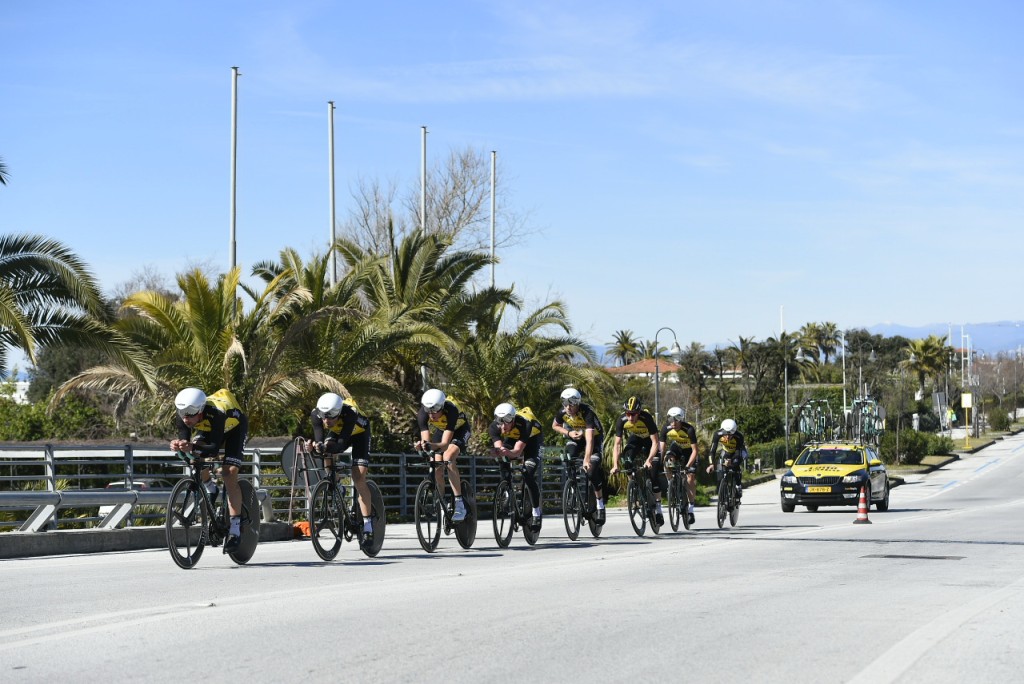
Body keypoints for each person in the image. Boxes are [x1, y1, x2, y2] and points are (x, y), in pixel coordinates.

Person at [170, 387, 249, 552]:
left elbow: (212, 449)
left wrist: (192, 446)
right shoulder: (184, 417)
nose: (185, 418)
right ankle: (210, 487)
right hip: (209, 429)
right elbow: (187, 445)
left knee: (229, 473)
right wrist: (180, 445)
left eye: (190, 413)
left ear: (200, 411)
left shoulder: (216, 413)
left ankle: (235, 530)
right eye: (182, 411)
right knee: (195, 461)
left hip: (234, 428)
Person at [310, 392, 375, 549]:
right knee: (325, 450)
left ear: (338, 413)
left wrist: (325, 447)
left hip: (359, 434)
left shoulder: (349, 413)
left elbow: (340, 444)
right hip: (339, 432)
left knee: (358, 477)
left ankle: (368, 525)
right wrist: (315, 446)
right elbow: (319, 439)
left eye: (331, 417)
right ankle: (336, 484)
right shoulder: (316, 414)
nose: (326, 420)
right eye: (323, 417)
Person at [551, 387, 607, 524]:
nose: (568, 407)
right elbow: (555, 425)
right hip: (576, 436)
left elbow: (589, 440)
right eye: (565, 403)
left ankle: (600, 505)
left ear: (577, 403)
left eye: (571, 404)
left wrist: (587, 460)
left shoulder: (587, 412)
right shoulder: (563, 412)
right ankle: (573, 486)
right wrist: (568, 433)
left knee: (591, 471)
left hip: (593, 439)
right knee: (569, 457)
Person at [414, 388, 471, 522]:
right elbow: (426, 441)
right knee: (437, 466)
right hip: (442, 430)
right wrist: (422, 445)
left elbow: (445, 445)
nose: (432, 414)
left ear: (442, 406)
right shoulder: (423, 413)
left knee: (448, 457)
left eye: (435, 410)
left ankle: (459, 503)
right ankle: (443, 502)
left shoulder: (451, 410)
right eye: (429, 410)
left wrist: (432, 445)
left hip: (460, 431)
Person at [490, 403, 544, 531]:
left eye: (507, 421)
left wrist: (506, 452)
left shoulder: (525, 423)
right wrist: (498, 451)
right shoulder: (494, 427)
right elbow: (500, 448)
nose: (504, 425)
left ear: (513, 419)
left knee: (527, 473)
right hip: (513, 439)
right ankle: (508, 492)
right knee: (503, 459)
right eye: (500, 421)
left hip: (533, 441)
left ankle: (536, 512)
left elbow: (517, 453)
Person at [610, 396, 664, 525]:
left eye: (633, 414)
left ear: (638, 413)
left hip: (650, 442)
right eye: (628, 414)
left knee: (654, 475)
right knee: (627, 461)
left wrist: (649, 460)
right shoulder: (622, 420)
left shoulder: (646, 418)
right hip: (636, 439)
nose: (630, 417)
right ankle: (634, 487)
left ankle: (658, 509)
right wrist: (615, 464)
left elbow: (655, 442)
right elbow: (617, 445)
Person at [661, 406, 699, 526]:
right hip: (676, 448)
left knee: (690, 477)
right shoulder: (666, 429)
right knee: (667, 460)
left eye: (676, 420)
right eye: (670, 419)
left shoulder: (689, 429)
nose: (673, 423)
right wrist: (659, 461)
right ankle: (670, 483)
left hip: (689, 452)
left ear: (681, 420)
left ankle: (691, 508)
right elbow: (662, 448)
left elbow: (695, 451)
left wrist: (688, 466)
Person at [706, 418, 748, 502]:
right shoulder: (717, 434)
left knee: (735, 466)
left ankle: (738, 485)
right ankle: (723, 490)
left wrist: (732, 462)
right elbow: (712, 451)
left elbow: (738, 453)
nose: (728, 437)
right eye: (726, 434)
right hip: (727, 451)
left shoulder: (739, 436)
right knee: (722, 468)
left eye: (730, 434)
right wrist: (711, 464)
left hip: (738, 451)